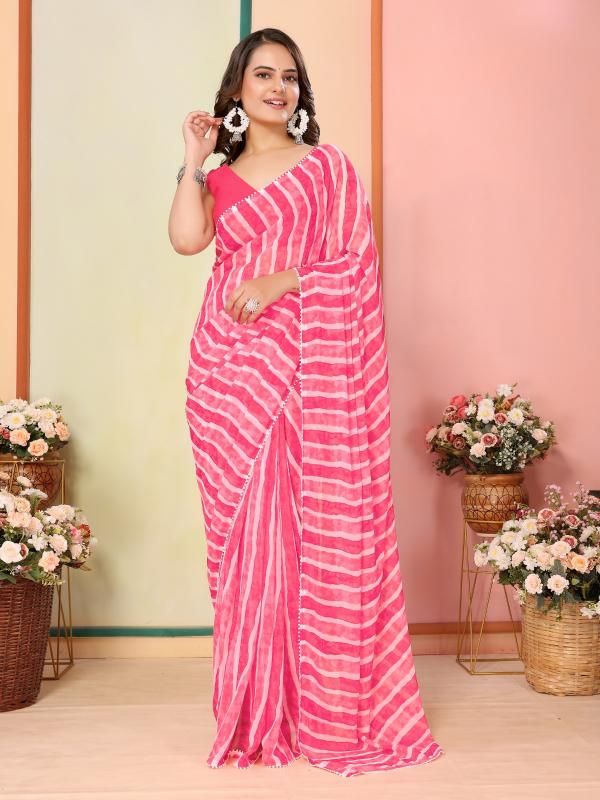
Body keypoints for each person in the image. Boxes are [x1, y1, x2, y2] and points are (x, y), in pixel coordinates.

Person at [168, 27, 444, 778]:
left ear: (301, 92)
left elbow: (354, 261)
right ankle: (257, 707)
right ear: (237, 88)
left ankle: (315, 703)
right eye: (262, 75)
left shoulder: (327, 168)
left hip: (306, 365)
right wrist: (193, 159)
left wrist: (282, 280)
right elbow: (187, 241)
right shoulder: (219, 179)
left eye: (289, 76)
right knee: (246, 546)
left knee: (307, 531)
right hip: (227, 374)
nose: (278, 88)